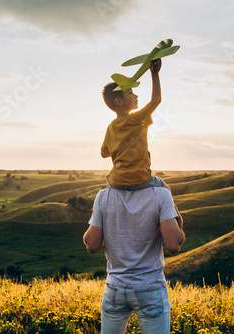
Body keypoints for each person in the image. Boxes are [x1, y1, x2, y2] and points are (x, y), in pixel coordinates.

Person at [83, 185, 185, 334]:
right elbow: (174, 245)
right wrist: (175, 214)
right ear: (147, 163)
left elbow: (91, 246)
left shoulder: (104, 196)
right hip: (150, 287)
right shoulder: (162, 193)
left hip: (115, 288)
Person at [100, 58, 166, 191]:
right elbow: (156, 100)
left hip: (115, 181)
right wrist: (155, 74)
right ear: (119, 101)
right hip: (140, 179)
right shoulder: (136, 119)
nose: (136, 96)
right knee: (166, 188)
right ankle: (173, 213)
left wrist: (121, 150)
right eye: (130, 93)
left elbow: (104, 153)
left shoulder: (111, 127)